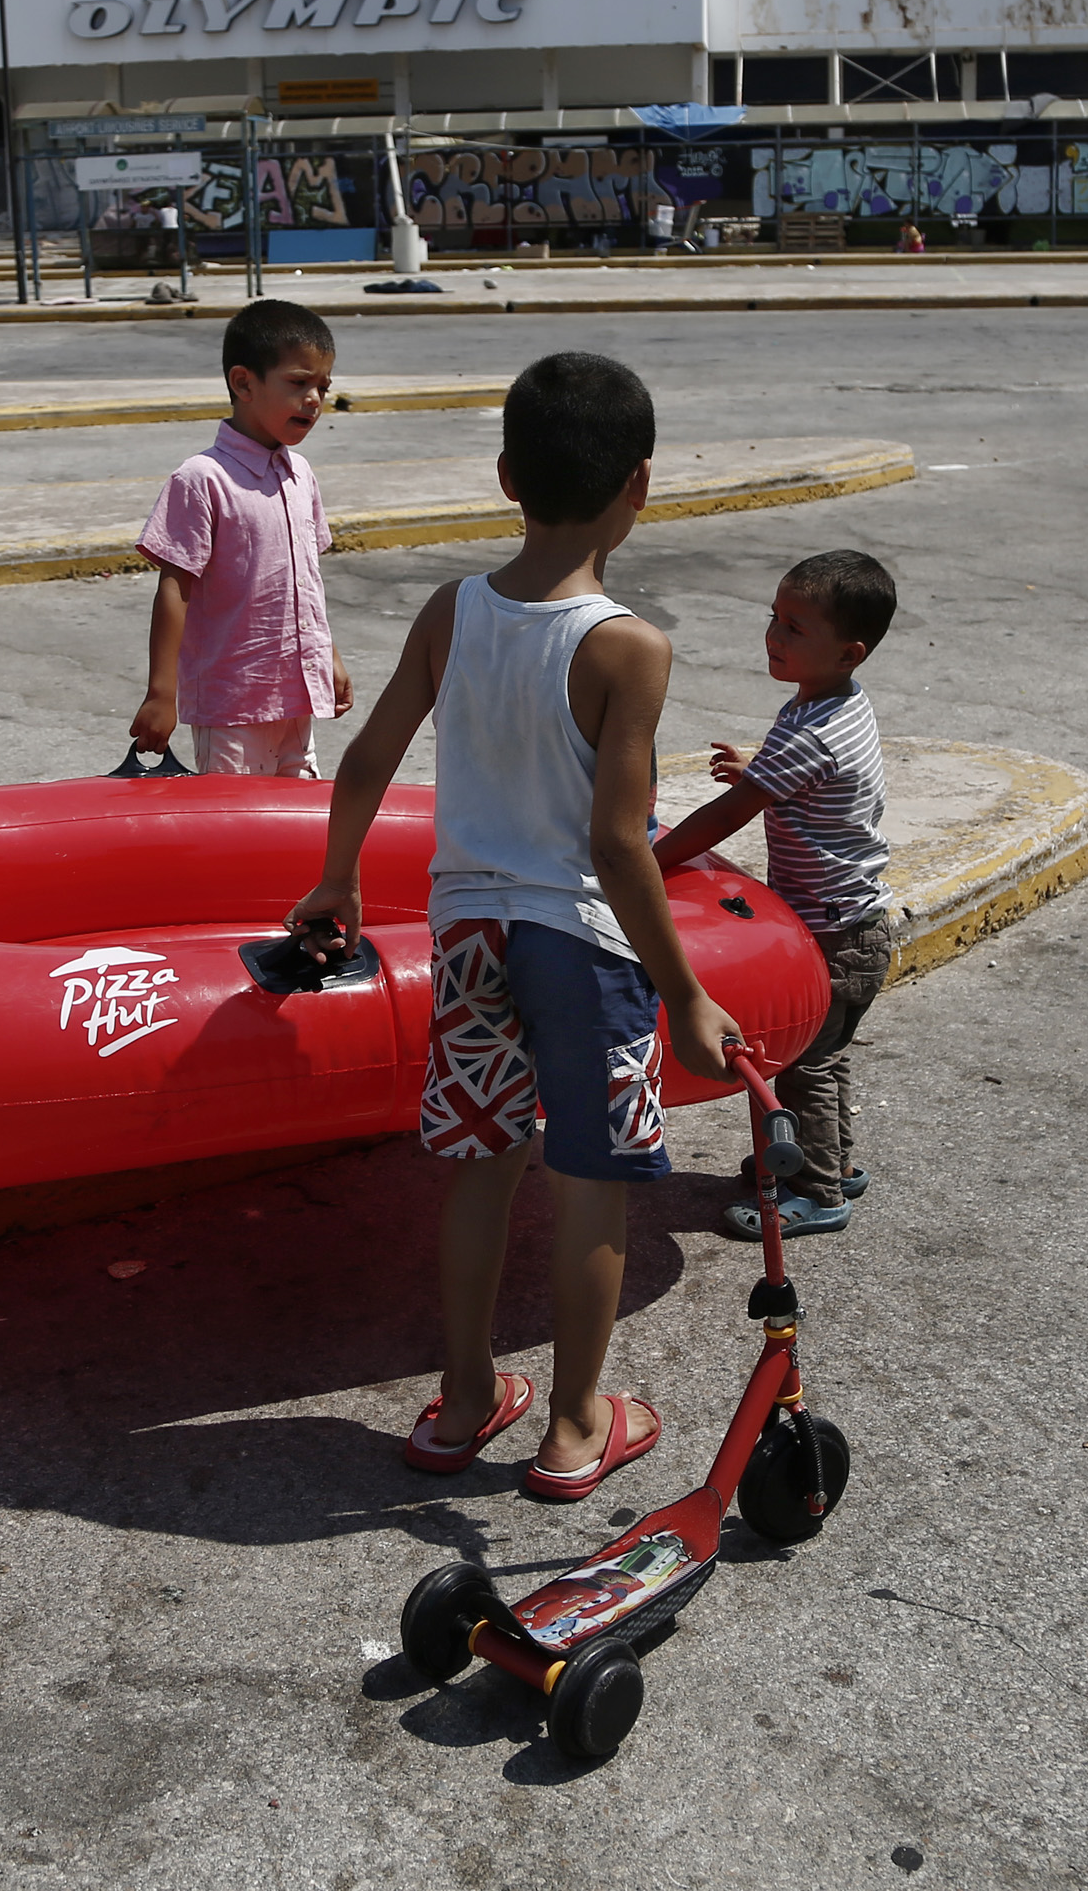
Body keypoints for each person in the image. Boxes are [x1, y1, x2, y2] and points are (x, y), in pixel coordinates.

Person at [287, 350, 744, 1501]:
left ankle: (461, 1399)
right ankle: (581, 1420)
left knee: (480, 1170)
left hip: (470, 933)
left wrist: (337, 881)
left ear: (504, 475)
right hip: (580, 946)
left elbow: (367, 757)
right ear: (640, 484)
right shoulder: (626, 644)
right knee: (591, 1182)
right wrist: (684, 989)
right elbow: (619, 842)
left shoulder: (454, 612)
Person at [653, 550, 897, 1238]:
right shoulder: (835, 702)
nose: (773, 636)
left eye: (794, 627)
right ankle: (831, 1162)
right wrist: (759, 768)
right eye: (773, 618)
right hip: (853, 921)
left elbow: (726, 817)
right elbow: (800, 776)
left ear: (848, 651)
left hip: (833, 935)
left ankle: (816, 1193)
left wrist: (644, 863)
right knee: (822, 1057)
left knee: (796, 1067)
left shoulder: (815, 727)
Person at [131, 300, 353, 776]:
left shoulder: (301, 476)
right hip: (231, 706)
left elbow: (308, 583)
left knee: (298, 830)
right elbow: (175, 587)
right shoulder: (202, 479)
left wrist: (327, 656)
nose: (314, 399)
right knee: (236, 831)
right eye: (298, 383)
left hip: (296, 700)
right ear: (243, 383)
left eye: (323, 387)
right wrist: (161, 693)